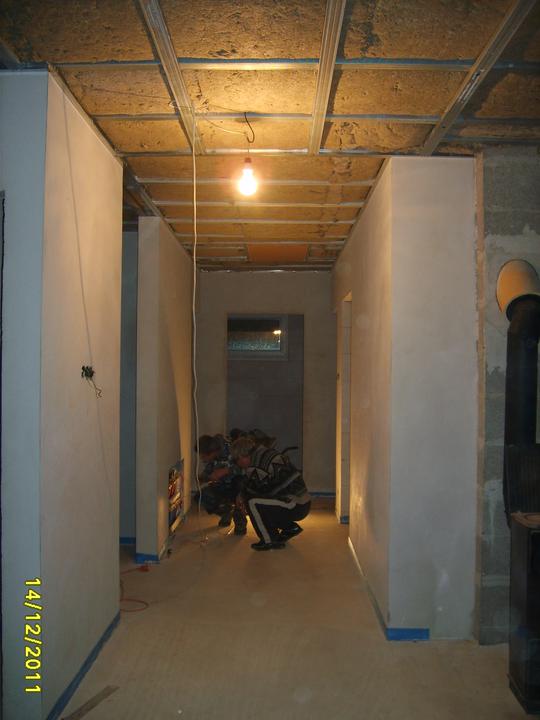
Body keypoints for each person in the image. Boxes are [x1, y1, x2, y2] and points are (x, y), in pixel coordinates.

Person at [230, 436, 311, 551]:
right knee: (259, 501)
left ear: (242, 456)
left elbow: (254, 491)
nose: (238, 464)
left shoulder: (256, 464)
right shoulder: (264, 453)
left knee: (252, 502)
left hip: (294, 504)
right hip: (302, 503)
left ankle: (269, 540)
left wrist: (242, 501)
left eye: (237, 460)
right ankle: (289, 527)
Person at [195, 434, 247, 535]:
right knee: (201, 496)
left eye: (204, 456)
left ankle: (240, 519)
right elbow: (207, 472)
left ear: (212, 452)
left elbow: (245, 468)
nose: (202, 459)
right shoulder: (212, 457)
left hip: (237, 484)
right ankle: (227, 511)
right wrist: (202, 478)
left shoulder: (232, 450)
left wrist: (226, 471)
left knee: (240, 483)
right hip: (222, 485)